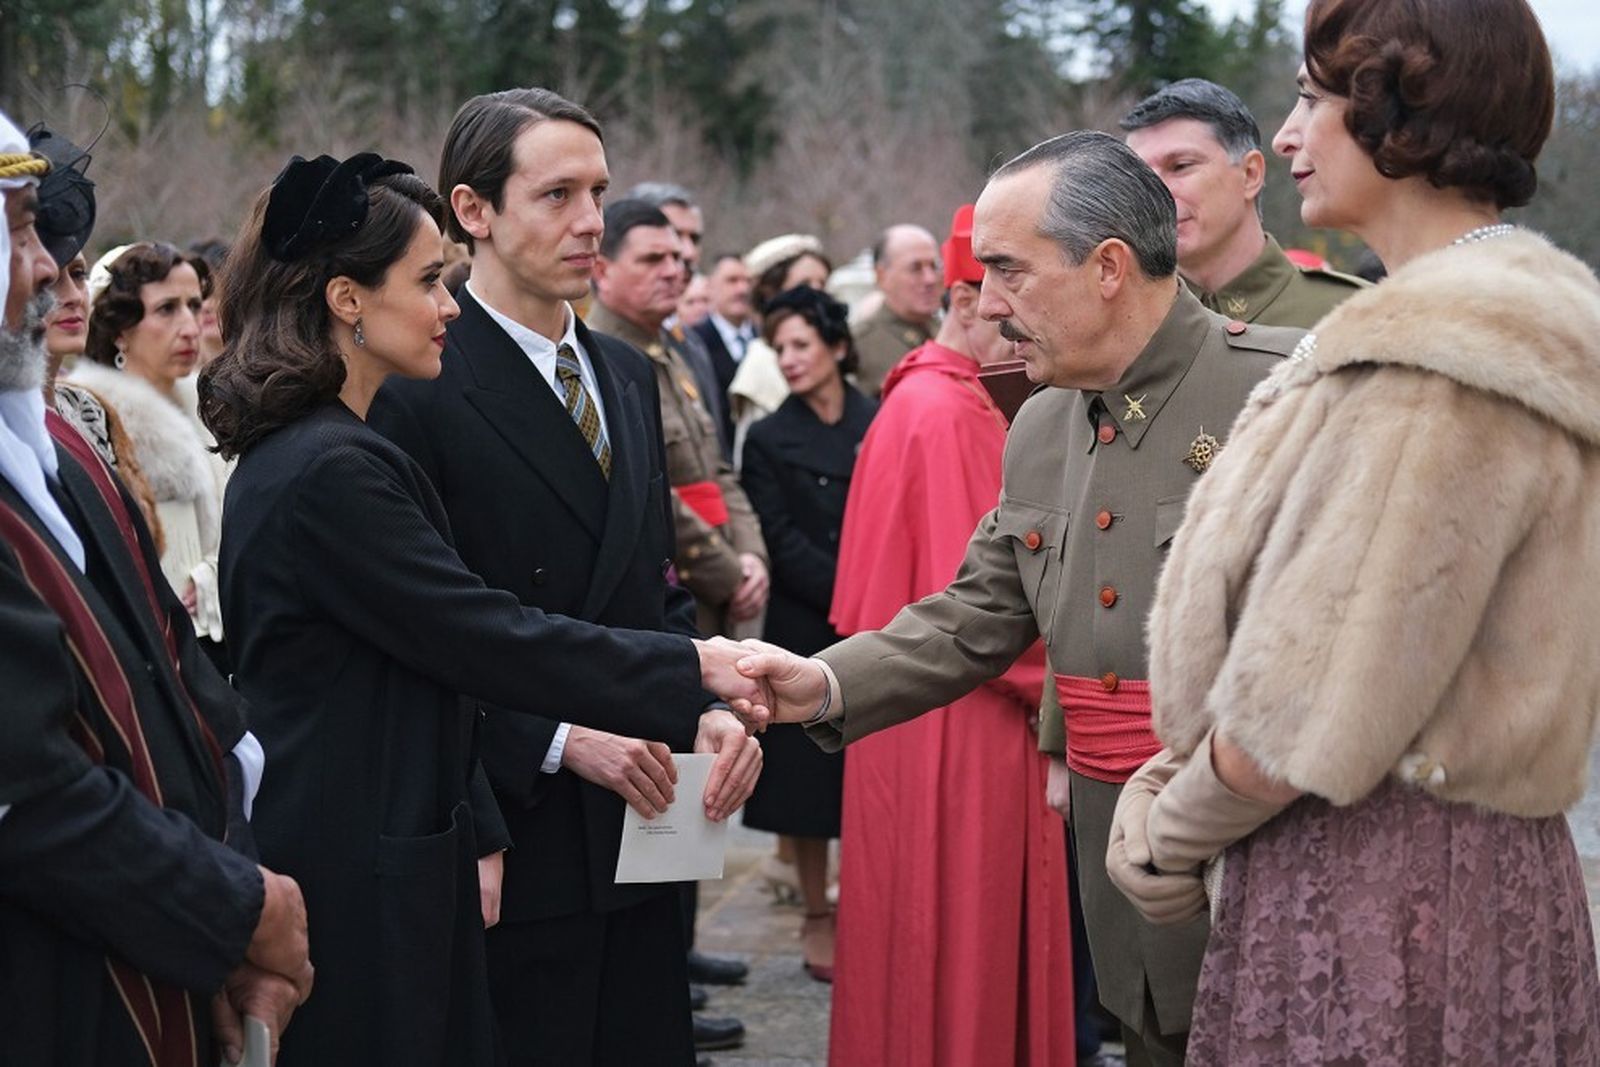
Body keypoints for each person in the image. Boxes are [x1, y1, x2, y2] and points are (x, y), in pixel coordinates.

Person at [730, 131, 1305, 1066]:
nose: (986, 307)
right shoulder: (1041, 421)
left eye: (1009, 271)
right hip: (1115, 867)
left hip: (1258, 867)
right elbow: (974, 611)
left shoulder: (1284, 393)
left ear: (1109, 267)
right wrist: (820, 685)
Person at [1106, 1, 1600, 1062]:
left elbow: (1312, 705)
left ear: (1400, 112)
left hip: (1386, 891)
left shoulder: (1443, 359)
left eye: (1311, 98)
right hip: (1446, 873)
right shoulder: (1467, 326)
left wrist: (1167, 829)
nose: (1285, 135)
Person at [205, 149, 762, 1066]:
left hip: (398, 836)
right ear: (347, 299)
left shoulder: (330, 449)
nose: (450, 307)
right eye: (428, 281)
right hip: (358, 855)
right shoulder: (333, 467)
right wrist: (695, 664)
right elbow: (478, 632)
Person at [367, 89, 760, 1067]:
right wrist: (549, 739)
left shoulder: (625, 375)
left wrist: (704, 704)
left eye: (600, 191)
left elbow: (648, 583)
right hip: (511, 822)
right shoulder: (413, 385)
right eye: (556, 194)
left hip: (654, 813)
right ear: (472, 209)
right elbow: (409, 631)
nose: (591, 221)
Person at [0, 108, 312, 1067]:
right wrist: (233, 907)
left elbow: (175, 680)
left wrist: (233, 877)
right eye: (16, 231)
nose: (50, 268)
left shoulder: (58, 452)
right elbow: (27, 785)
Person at [823, 204, 1073, 1067]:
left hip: (899, 708)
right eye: (1009, 306)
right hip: (963, 721)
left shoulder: (915, 399)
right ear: (968, 300)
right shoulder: (955, 411)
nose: (1022, 331)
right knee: (964, 939)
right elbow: (996, 612)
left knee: (909, 936)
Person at [738, 285, 875, 983]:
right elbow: (778, 536)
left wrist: (876, 592)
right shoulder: (766, 436)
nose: (788, 360)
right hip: (804, 618)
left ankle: (866, 901)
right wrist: (849, 591)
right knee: (806, 777)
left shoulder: (877, 418)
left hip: (880, 609)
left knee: (869, 767)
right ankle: (816, 911)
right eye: (779, 348)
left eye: (801, 345)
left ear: (838, 348)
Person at [588, 197, 770, 641]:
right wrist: (728, 572)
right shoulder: (598, 358)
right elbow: (648, 492)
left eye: (677, 257)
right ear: (601, 270)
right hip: (669, 597)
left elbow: (719, 468)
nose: (674, 270)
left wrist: (752, 554)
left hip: (722, 583)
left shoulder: (674, 352)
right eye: (653, 259)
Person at [70, 241, 228, 642]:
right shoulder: (94, 421)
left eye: (195, 305)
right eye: (166, 309)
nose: (191, 327)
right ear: (121, 328)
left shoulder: (212, 410)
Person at [1121, 78, 1364, 328]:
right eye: (1141, 177)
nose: (1154, 193)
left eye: (1180, 166)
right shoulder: (1120, 330)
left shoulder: (1350, 315)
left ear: (1250, 174)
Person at [726, 234, 832, 463]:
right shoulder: (761, 362)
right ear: (771, 291)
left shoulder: (831, 350)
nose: (817, 294)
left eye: (822, 284)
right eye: (804, 284)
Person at [851, 224, 941, 396]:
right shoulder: (862, 345)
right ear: (882, 276)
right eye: (916, 268)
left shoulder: (949, 331)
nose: (930, 279)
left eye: (934, 266)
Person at [692, 251, 757, 448]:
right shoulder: (694, 342)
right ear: (710, 287)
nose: (742, 289)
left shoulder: (766, 340)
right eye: (732, 281)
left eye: (747, 281)